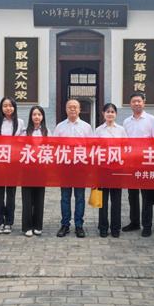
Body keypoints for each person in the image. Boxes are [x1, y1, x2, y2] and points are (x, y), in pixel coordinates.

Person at [53, 99, 93, 238]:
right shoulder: (60, 127)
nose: (73, 109)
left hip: (80, 168)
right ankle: (65, 224)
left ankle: (79, 225)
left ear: (79, 110)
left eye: (75, 107)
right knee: (65, 197)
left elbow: (90, 148)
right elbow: (55, 147)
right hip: (65, 168)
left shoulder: (86, 127)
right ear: (66, 109)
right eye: (70, 107)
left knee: (80, 198)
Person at [122, 92, 154, 233]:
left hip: (146, 163)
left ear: (144, 102)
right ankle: (134, 222)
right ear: (130, 104)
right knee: (132, 195)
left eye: (139, 101)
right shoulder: (126, 121)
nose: (136, 103)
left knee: (146, 195)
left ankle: (147, 225)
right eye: (134, 101)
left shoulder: (151, 119)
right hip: (131, 163)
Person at [94, 103, 127, 238]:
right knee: (103, 200)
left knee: (116, 200)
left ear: (116, 114)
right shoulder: (98, 130)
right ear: (103, 114)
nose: (110, 114)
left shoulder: (121, 130)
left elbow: (125, 148)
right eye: (107, 112)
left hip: (117, 169)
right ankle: (103, 227)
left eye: (112, 112)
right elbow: (94, 149)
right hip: (103, 169)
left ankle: (115, 228)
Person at [0, 96, 25, 234]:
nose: (8, 108)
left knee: (11, 194)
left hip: (13, 163)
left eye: (10, 106)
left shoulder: (20, 123)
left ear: (14, 107)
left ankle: (9, 222)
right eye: (5, 106)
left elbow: (21, 142)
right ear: (1, 108)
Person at [22, 106, 51, 237]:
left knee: (39, 197)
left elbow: (50, 148)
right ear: (31, 117)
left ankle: (37, 225)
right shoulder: (24, 132)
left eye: (39, 114)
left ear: (43, 117)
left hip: (41, 169)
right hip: (27, 169)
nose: (37, 117)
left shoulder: (47, 132)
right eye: (34, 114)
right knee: (27, 198)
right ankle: (27, 226)